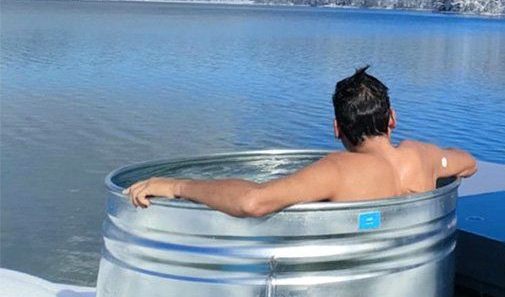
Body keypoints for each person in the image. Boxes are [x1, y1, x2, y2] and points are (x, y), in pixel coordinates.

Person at [125, 66, 477, 216]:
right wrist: (441, 163)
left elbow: (253, 203)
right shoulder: (423, 156)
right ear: (393, 119)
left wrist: (177, 186)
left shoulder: (340, 170)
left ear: (336, 128)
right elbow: (468, 162)